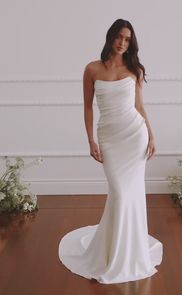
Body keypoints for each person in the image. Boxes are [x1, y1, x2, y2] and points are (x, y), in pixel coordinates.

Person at [58, 18, 163, 284]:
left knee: (129, 195)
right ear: (110, 37)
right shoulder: (92, 69)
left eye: (127, 39)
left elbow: (139, 106)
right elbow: (87, 107)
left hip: (134, 136)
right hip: (110, 139)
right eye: (119, 37)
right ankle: (112, 252)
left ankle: (128, 252)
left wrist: (151, 134)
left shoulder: (134, 69)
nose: (122, 43)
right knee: (119, 192)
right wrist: (90, 140)